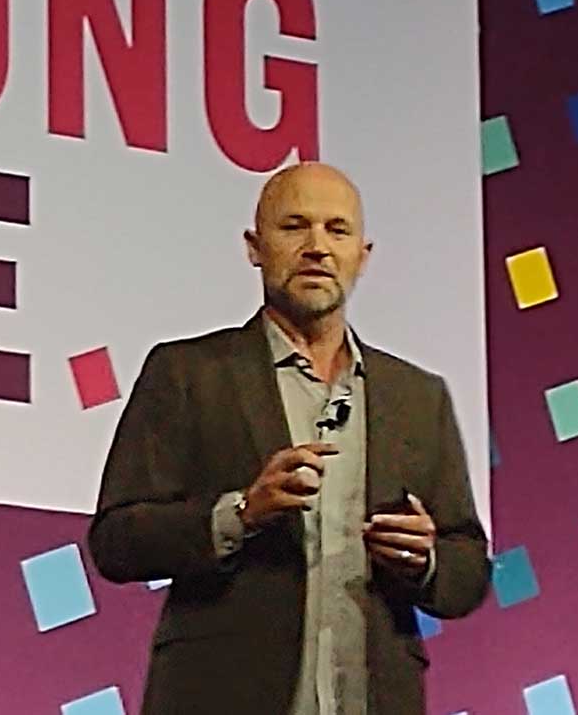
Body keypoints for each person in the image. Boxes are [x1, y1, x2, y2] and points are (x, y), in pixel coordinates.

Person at [88, 162, 490, 715]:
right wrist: (242, 513)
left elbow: (468, 566)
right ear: (255, 247)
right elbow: (116, 539)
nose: (317, 247)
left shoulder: (418, 397)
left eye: (337, 230)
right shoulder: (188, 373)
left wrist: (425, 559)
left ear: (362, 257)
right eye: (294, 226)